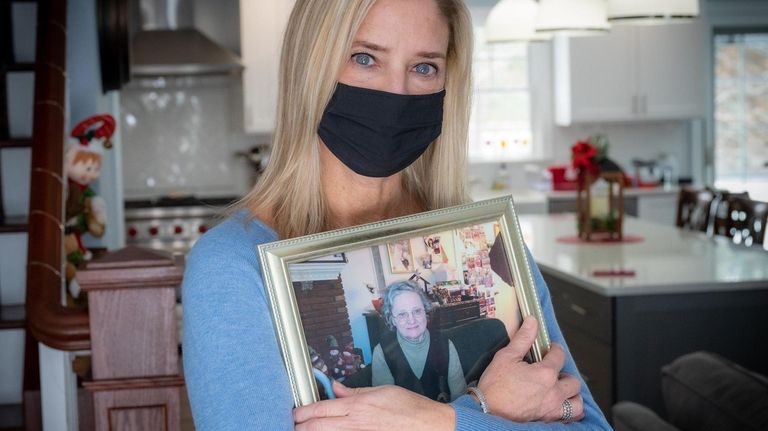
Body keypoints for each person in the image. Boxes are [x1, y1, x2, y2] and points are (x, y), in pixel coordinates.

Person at [182, 0, 612, 429]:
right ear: (309, 68)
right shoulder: (233, 264)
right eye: (364, 58)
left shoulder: (488, 239)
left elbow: (590, 425)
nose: (396, 92)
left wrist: (437, 420)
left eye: (424, 68)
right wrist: (484, 411)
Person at [371, 281, 467, 402]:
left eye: (417, 311)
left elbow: (460, 398)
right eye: (402, 314)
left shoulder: (446, 346)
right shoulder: (381, 353)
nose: (412, 320)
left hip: (444, 418)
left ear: (425, 312)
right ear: (392, 320)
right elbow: (385, 406)